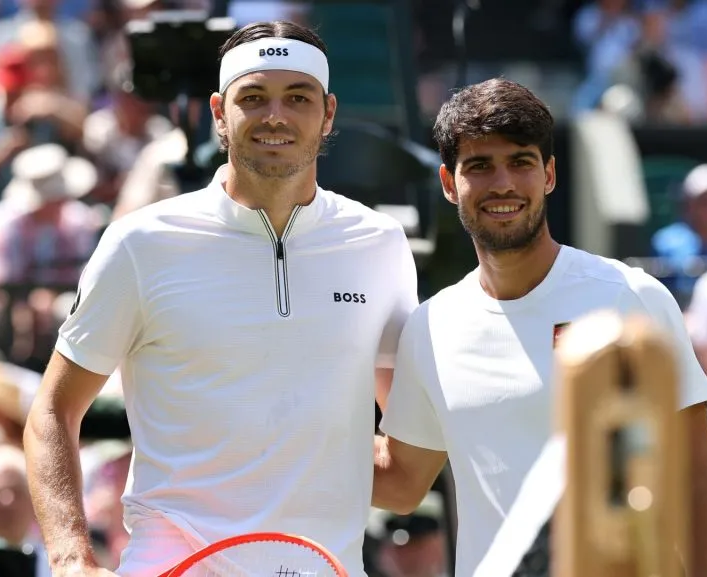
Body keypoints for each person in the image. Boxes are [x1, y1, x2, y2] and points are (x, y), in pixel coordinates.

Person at [23, 20, 418, 577]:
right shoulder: (141, 242)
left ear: (328, 113)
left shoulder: (380, 244)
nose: (274, 116)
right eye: (253, 97)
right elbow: (52, 412)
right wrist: (69, 559)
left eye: (297, 97)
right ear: (218, 112)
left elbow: (402, 470)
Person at [372, 78, 707, 576]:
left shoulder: (633, 296)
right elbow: (402, 483)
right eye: (480, 165)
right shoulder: (428, 327)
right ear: (449, 184)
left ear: (549, 175)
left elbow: (698, 484)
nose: (502, 184)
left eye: (520, 162)